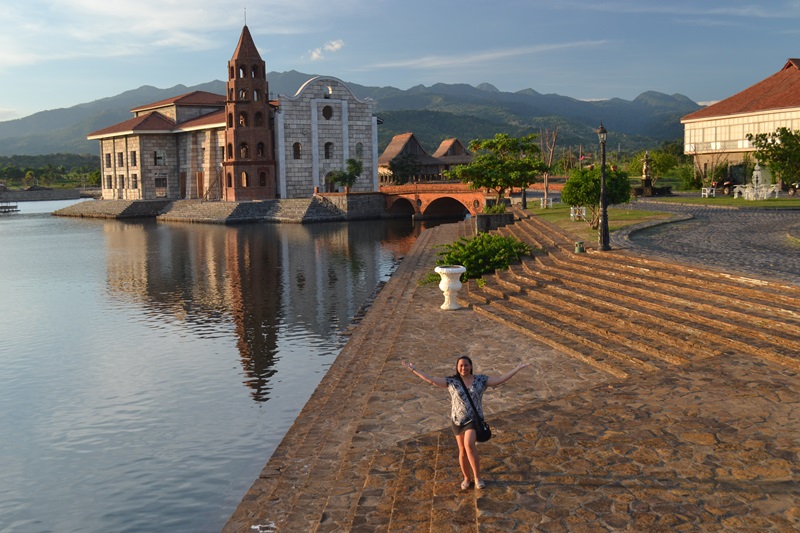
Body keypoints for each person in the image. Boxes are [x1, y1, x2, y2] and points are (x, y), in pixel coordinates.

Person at [401, 356, 530, 490]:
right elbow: (432, 380)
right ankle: (467, 478)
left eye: (466, 365)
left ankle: (477, 477)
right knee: (462, 450)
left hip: (473, 420)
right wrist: (414, 370)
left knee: (469, 445)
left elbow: (499, 379)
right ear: (457, 367)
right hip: (457, 420)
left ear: (471, 366)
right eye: (461, 365)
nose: (464, 368)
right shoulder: (451, 381)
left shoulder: (480, 380)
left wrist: (517, 368)